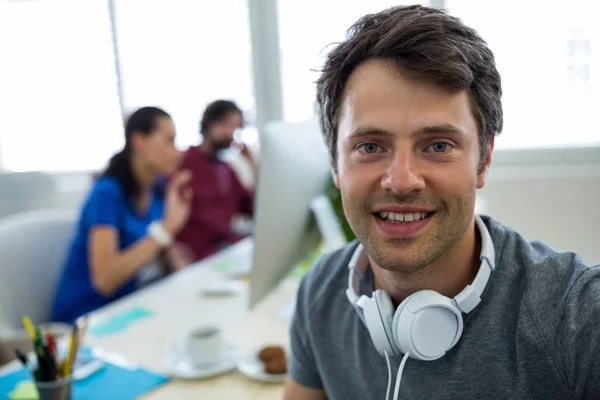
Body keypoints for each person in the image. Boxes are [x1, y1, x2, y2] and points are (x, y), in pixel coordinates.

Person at [284, 5, 600, 400]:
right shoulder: (320, 293)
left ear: (483, 160)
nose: (400, 181)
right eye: (369, 146)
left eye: (437, 145)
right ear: (335, 163)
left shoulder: (579, 317)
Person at [51, 107, 193, 324]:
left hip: (126, 309)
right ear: (139, 141)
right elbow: (105, 280)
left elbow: (154, 251)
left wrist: (172, 253)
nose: (178, 152)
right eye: (169, 140)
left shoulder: (156, 190)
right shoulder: (106, 194)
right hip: (86, 320)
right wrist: (165, 230)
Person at [174, 100, 256, 262]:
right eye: (226, 124)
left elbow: (253, 209)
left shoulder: (227, 170)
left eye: (236, 127)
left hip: (227, 252)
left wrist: (252, 165)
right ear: (209, 123)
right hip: (195, 258)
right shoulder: (182, 163)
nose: (230, 132)